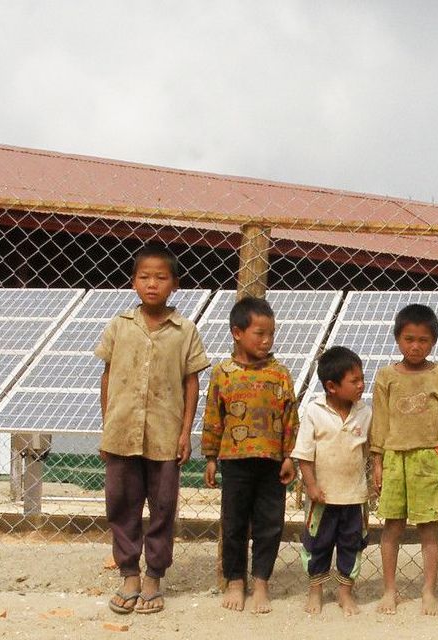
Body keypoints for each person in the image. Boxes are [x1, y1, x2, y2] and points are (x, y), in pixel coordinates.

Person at [96, 246, 209, 617]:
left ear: (174, 284)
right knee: (121, 503)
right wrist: (107, 426)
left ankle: (154, 576)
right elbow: (108, 376)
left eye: (161, 277)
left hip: (164, 436)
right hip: (122, 433)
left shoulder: (185, 330)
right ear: (133, 282)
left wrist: (185, 432)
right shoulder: (119, 326)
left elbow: (191, 382)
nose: (152, 284)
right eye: (144, 277)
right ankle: (129, 572)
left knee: (162, 507)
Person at [201, 295, 298, 615]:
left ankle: (261, 583)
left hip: (271, 461)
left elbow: (290, 417)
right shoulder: (223, 373)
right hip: (234, 460)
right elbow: (213, 415)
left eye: (271, 334)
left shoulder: (279, 373)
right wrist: (211, 457)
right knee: (234, 523)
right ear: (237, 332)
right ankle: (235, 581)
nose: (267, 340)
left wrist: (289, 456)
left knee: (270, 523)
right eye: (260, 333)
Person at [369, 303, 438, 615]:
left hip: (429, 457)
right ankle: (389, 590)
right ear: (397, 339)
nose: (415, 346)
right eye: (409, 339)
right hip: (394, 457)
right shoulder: (386, 376)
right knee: (392, 525)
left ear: (433, 341)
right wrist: (377, 461)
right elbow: (379, 421)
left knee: (429, 526)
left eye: (423, 340)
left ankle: (428, 591)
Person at [292, 346, 371, 616]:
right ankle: (315, 591)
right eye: (355, 381)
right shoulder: (314, 412)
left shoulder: (365, 413)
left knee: (353, 543)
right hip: (322, 496)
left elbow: (369, 450)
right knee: (317, 542)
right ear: (331, 386)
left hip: (354, 496)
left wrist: (372, 482)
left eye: (362, 378)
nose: (362, 385)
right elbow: (304, 454)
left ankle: (345, 593)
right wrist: (311, 485)